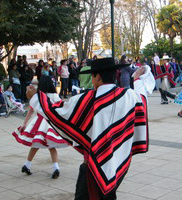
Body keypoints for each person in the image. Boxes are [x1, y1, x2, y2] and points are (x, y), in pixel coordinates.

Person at [28, 57, 151, 199]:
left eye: (92, 77)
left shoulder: (88, 99)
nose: (92, 81)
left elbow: (58, 112)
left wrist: (35, 98)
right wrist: (136, 79)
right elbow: (143, 99)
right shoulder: (130, 96)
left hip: (92, 167)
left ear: (98, 77)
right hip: (117, 163)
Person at [12, 76, 68, 178]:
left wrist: (25, 124)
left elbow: (31, 110)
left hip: (39, 122)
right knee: (51, 145)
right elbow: (61, 108)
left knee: (35, 144)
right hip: (51, 122)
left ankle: (27, 164)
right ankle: (56, 168)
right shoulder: (55, 96)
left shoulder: (38, 96)